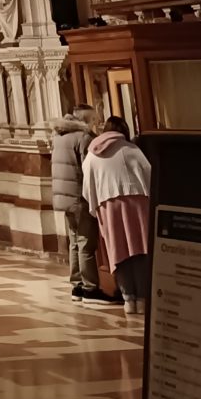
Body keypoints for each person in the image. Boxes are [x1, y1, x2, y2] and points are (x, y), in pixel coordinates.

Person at [83, 116, 152, 318]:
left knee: (118, 252)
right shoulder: (131, 149)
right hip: (137, 202)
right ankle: (142, 299)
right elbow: (149, 173)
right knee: (140, 250)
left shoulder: (92, 154)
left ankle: (128, 298)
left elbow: (87, 187)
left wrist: (96, 206)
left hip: (108, 205)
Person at [52, 106, 119, 305]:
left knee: (74, 241)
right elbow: (90, 167)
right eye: (94, 120)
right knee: (86, 243)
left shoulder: (59, 136)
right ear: (86, 120)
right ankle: (90, 288)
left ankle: (77, 285)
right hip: (79, 197)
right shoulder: (83, 137)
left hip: (64, 197)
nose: (96, 124)